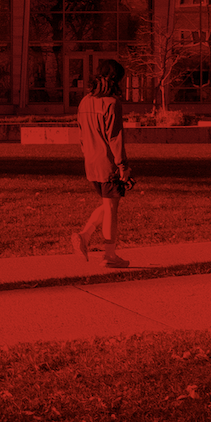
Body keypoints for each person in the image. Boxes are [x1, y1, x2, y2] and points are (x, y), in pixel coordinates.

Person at [71, 58, 133, 267]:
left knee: (108, 204)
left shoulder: (85, 102)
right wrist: (123, 166)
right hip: (108, 164)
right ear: (117, 80)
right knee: (112, 209)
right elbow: (115, 137)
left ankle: (85, 235)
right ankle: (109, 254)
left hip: (90, 163)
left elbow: (81, 134)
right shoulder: (112, 104)